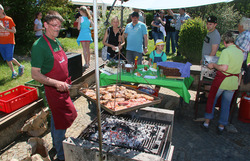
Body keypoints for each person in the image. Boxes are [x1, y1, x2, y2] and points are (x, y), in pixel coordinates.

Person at [31, 11, 77, 161]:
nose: (57, 29)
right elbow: (35, 74)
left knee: (60, 119)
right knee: (60, 120)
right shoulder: (39, 46)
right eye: (54, 25)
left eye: (59, 26)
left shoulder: (56, 41)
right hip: (53, 90)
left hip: (64, 87)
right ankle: (62, 155)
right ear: (45, 25)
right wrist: (57, 83)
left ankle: (57, 144)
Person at [201, 32, 243, 135]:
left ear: (224, 42)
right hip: (233, 81)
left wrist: (214, 65)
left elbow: (224, 68)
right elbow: (239, 69)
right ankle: (221, 125)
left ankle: (207, 122)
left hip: (222, 81)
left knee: (212, 100)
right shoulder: (240, 52)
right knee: (226, 104)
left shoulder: (226, 51)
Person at [0, 4, 24, 79]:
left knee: (9, 58)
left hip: (9, 42)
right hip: (1, 43)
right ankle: (13, 72)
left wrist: (4, 28)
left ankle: (20, 66)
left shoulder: (9, 19)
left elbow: (14, 31)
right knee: (7, 59)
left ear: (2, 10)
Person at [235, 17, 250, 84]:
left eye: (239, 24)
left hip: (238, 62)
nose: (238, 26)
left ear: (242, 26)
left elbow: (241, 50)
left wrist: (231, 45)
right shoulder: (243, 34)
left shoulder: (246, 36)